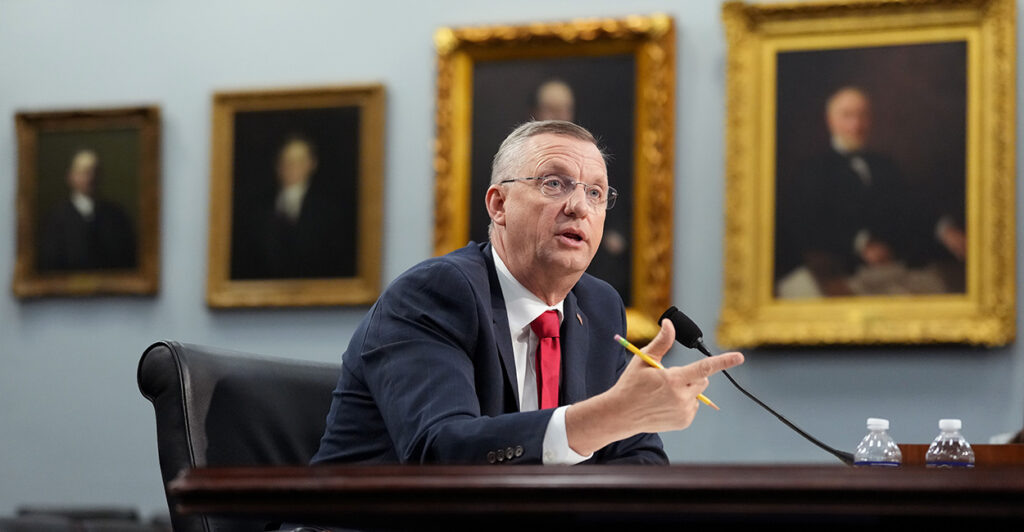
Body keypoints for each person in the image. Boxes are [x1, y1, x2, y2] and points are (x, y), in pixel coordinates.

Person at [313, 120, 744, 466]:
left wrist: (629, 419)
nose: (580, 206)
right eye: (554, 184)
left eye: (595, 192)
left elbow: (639, 458)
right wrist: (607, 417)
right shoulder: (435, 293)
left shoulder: (598, 306)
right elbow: (440, 451)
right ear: (498, 205)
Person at [776, 86, 967, 298]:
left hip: (896, 266)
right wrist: (861, 243)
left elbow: (912, 206)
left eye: (862, 115)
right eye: (847, 116)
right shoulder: (812, 170)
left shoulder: (885, 165)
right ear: (830, 120)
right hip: (845, 270)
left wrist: (944, 229)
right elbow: (809, 225)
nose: (856, 125)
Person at [232, 134, 354, 280]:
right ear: (278, 165)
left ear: (312, 164)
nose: (291, 167)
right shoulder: (258, 210)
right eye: (286, 161)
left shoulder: (328, 211)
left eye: (298, 161)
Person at [38, 148, 136, 271]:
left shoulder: (116, 215)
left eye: (94, 172)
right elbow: (49, 261)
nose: (90, 178)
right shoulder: (56, 217)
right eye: (84, 172)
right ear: (71, 176)